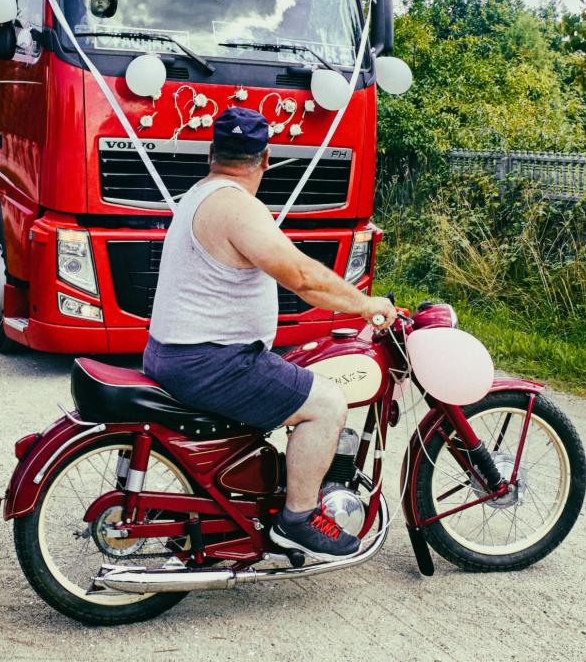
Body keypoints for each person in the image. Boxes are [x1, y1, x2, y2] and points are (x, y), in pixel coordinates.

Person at [144, 107, 397, 561]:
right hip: (212, 361)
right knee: (326, 404)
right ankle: (297, 519)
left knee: (294, 375)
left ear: (210, 154)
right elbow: (301, 276)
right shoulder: (236, 206)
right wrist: (364, 303)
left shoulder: (199, 195)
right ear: (265, 160)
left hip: (178, 353)